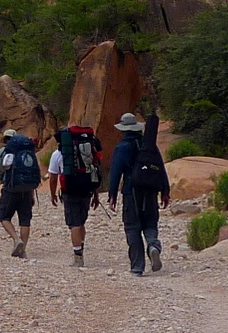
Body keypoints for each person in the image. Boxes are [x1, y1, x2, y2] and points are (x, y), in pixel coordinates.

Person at [106, 112, 171, 275]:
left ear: (123, 130)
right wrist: (165, 191)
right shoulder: (149, 146)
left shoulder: (122, 147)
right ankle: (153, 245)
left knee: (132, 227)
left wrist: (112, 194)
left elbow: (115, 172)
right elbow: (160, 169)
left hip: (131, 191)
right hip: (150, 191)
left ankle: (137, 266)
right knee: (150, 222)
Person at [48, 124, 104, 267]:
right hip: (87, 189)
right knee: (81, 222)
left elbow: (53, 177)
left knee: (74, 224)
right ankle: (81, 248)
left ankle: (78, 257)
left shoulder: (58, 154)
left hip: (70, 191)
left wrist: (53, 194)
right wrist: (96, 194)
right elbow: (94, 172)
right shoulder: (89, 151)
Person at [0, 128, 42, 257]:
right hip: (26, 189)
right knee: (25, 220)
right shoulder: (28, 152)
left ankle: (16, 239)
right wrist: (31, 194)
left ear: (6, 140)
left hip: (11, 189)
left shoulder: (4, 151)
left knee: (3, 216)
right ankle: (23, 249)